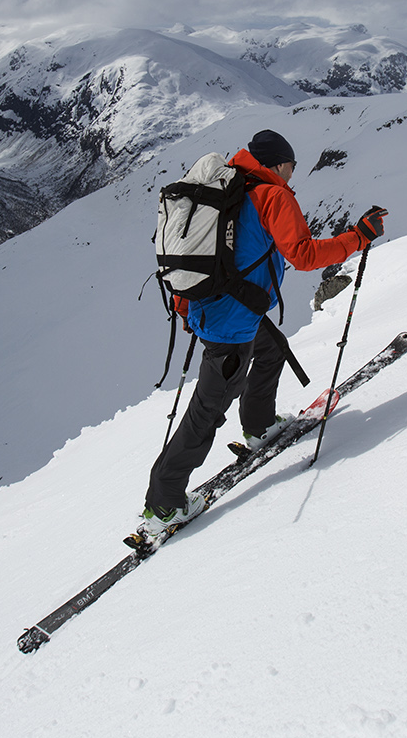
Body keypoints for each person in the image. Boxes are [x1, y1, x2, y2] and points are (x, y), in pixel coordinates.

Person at [140, 129, 387, 538]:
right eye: (290, 166)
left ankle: (259, 424)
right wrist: (357, 238)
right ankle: (164, 503)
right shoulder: (272, 195)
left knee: (273, 349)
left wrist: (187, 307)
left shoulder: (227, 184)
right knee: (207, 410)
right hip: (231, 322)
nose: (293, 174)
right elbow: (304, 255)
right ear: (276, 164)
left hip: (211, 307)